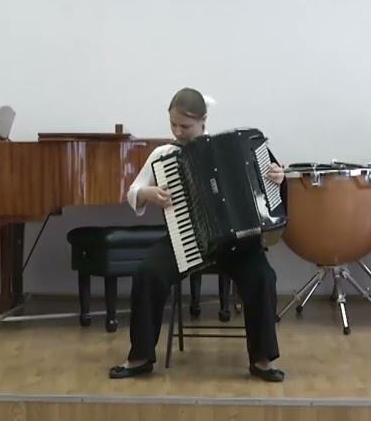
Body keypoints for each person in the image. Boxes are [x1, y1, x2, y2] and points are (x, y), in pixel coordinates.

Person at [108, 87, 287, 382]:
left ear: (203, 121)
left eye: (185, 126)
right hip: (184, 238)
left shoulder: (238, 148)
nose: (178, 132)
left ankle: (262, 360)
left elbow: (269, 193)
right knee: (148, 273)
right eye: (173, 124)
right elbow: (133, 192)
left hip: (235, 244)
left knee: (263, 277)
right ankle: (139, 357)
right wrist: (148, 194)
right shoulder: (164, 155)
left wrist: (276, 179)